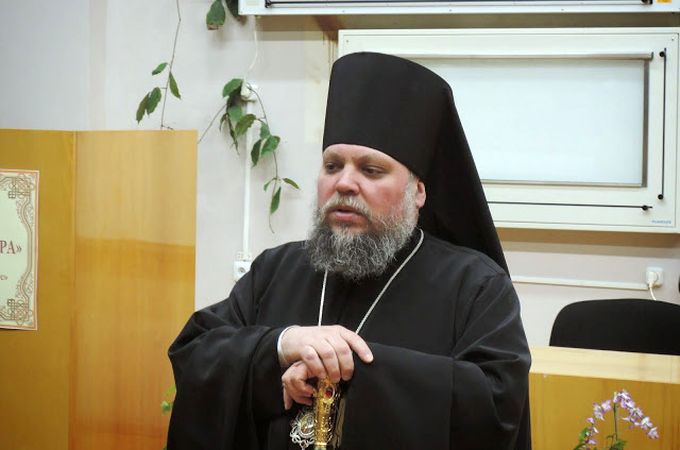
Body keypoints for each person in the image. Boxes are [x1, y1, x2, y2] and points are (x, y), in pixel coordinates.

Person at [167, 52, 531, 450]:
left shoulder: (476, 286)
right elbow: (194, 354)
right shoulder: (277, 269)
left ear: (419, 192)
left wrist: (347, 371)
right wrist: (280, 347)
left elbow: (496, 406)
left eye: (370, 170)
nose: (345, 183)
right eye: (332, 165)